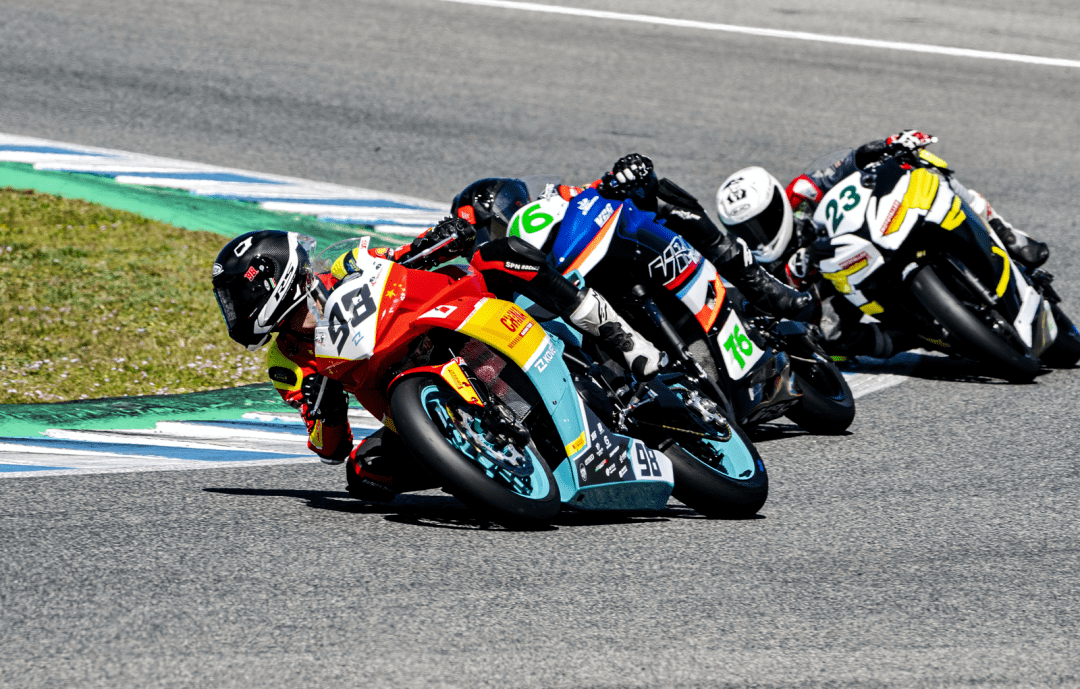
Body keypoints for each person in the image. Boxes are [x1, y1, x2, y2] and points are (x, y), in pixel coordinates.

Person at [210, 227, 664, 501]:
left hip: (456, 319)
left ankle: (617, 334)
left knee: (501, 253)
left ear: (267, 280)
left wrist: (439, 240)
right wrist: (323, 409)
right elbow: (330, 449)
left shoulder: (347, 267)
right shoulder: (286, 361)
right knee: (366, 474)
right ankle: (478, 473)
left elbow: (401, 256)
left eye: (235, 297)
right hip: (405, 393)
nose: (233, 309)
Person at [715, 130, 1052, 359]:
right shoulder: (757, 266)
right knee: (830, 338)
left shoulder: (800, 194)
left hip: (870, 236)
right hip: (843, 292)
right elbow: (782, 307)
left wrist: (880, 147)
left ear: (777, 202)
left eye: (762, 222)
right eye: (746, 231)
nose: (758, 236)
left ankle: (1005, 231)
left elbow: (843, 166)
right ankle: (917, 336)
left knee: (927, 168)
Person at [381, 155, 815, 321]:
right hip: (565, 304)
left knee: (651, 192)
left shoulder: (554, 202)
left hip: (599, 251)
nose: (509, 222)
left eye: (511, 208)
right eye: (491, 227)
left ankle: (757, 283)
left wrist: (620, 177)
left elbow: (592, 192)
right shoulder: (493, 270)